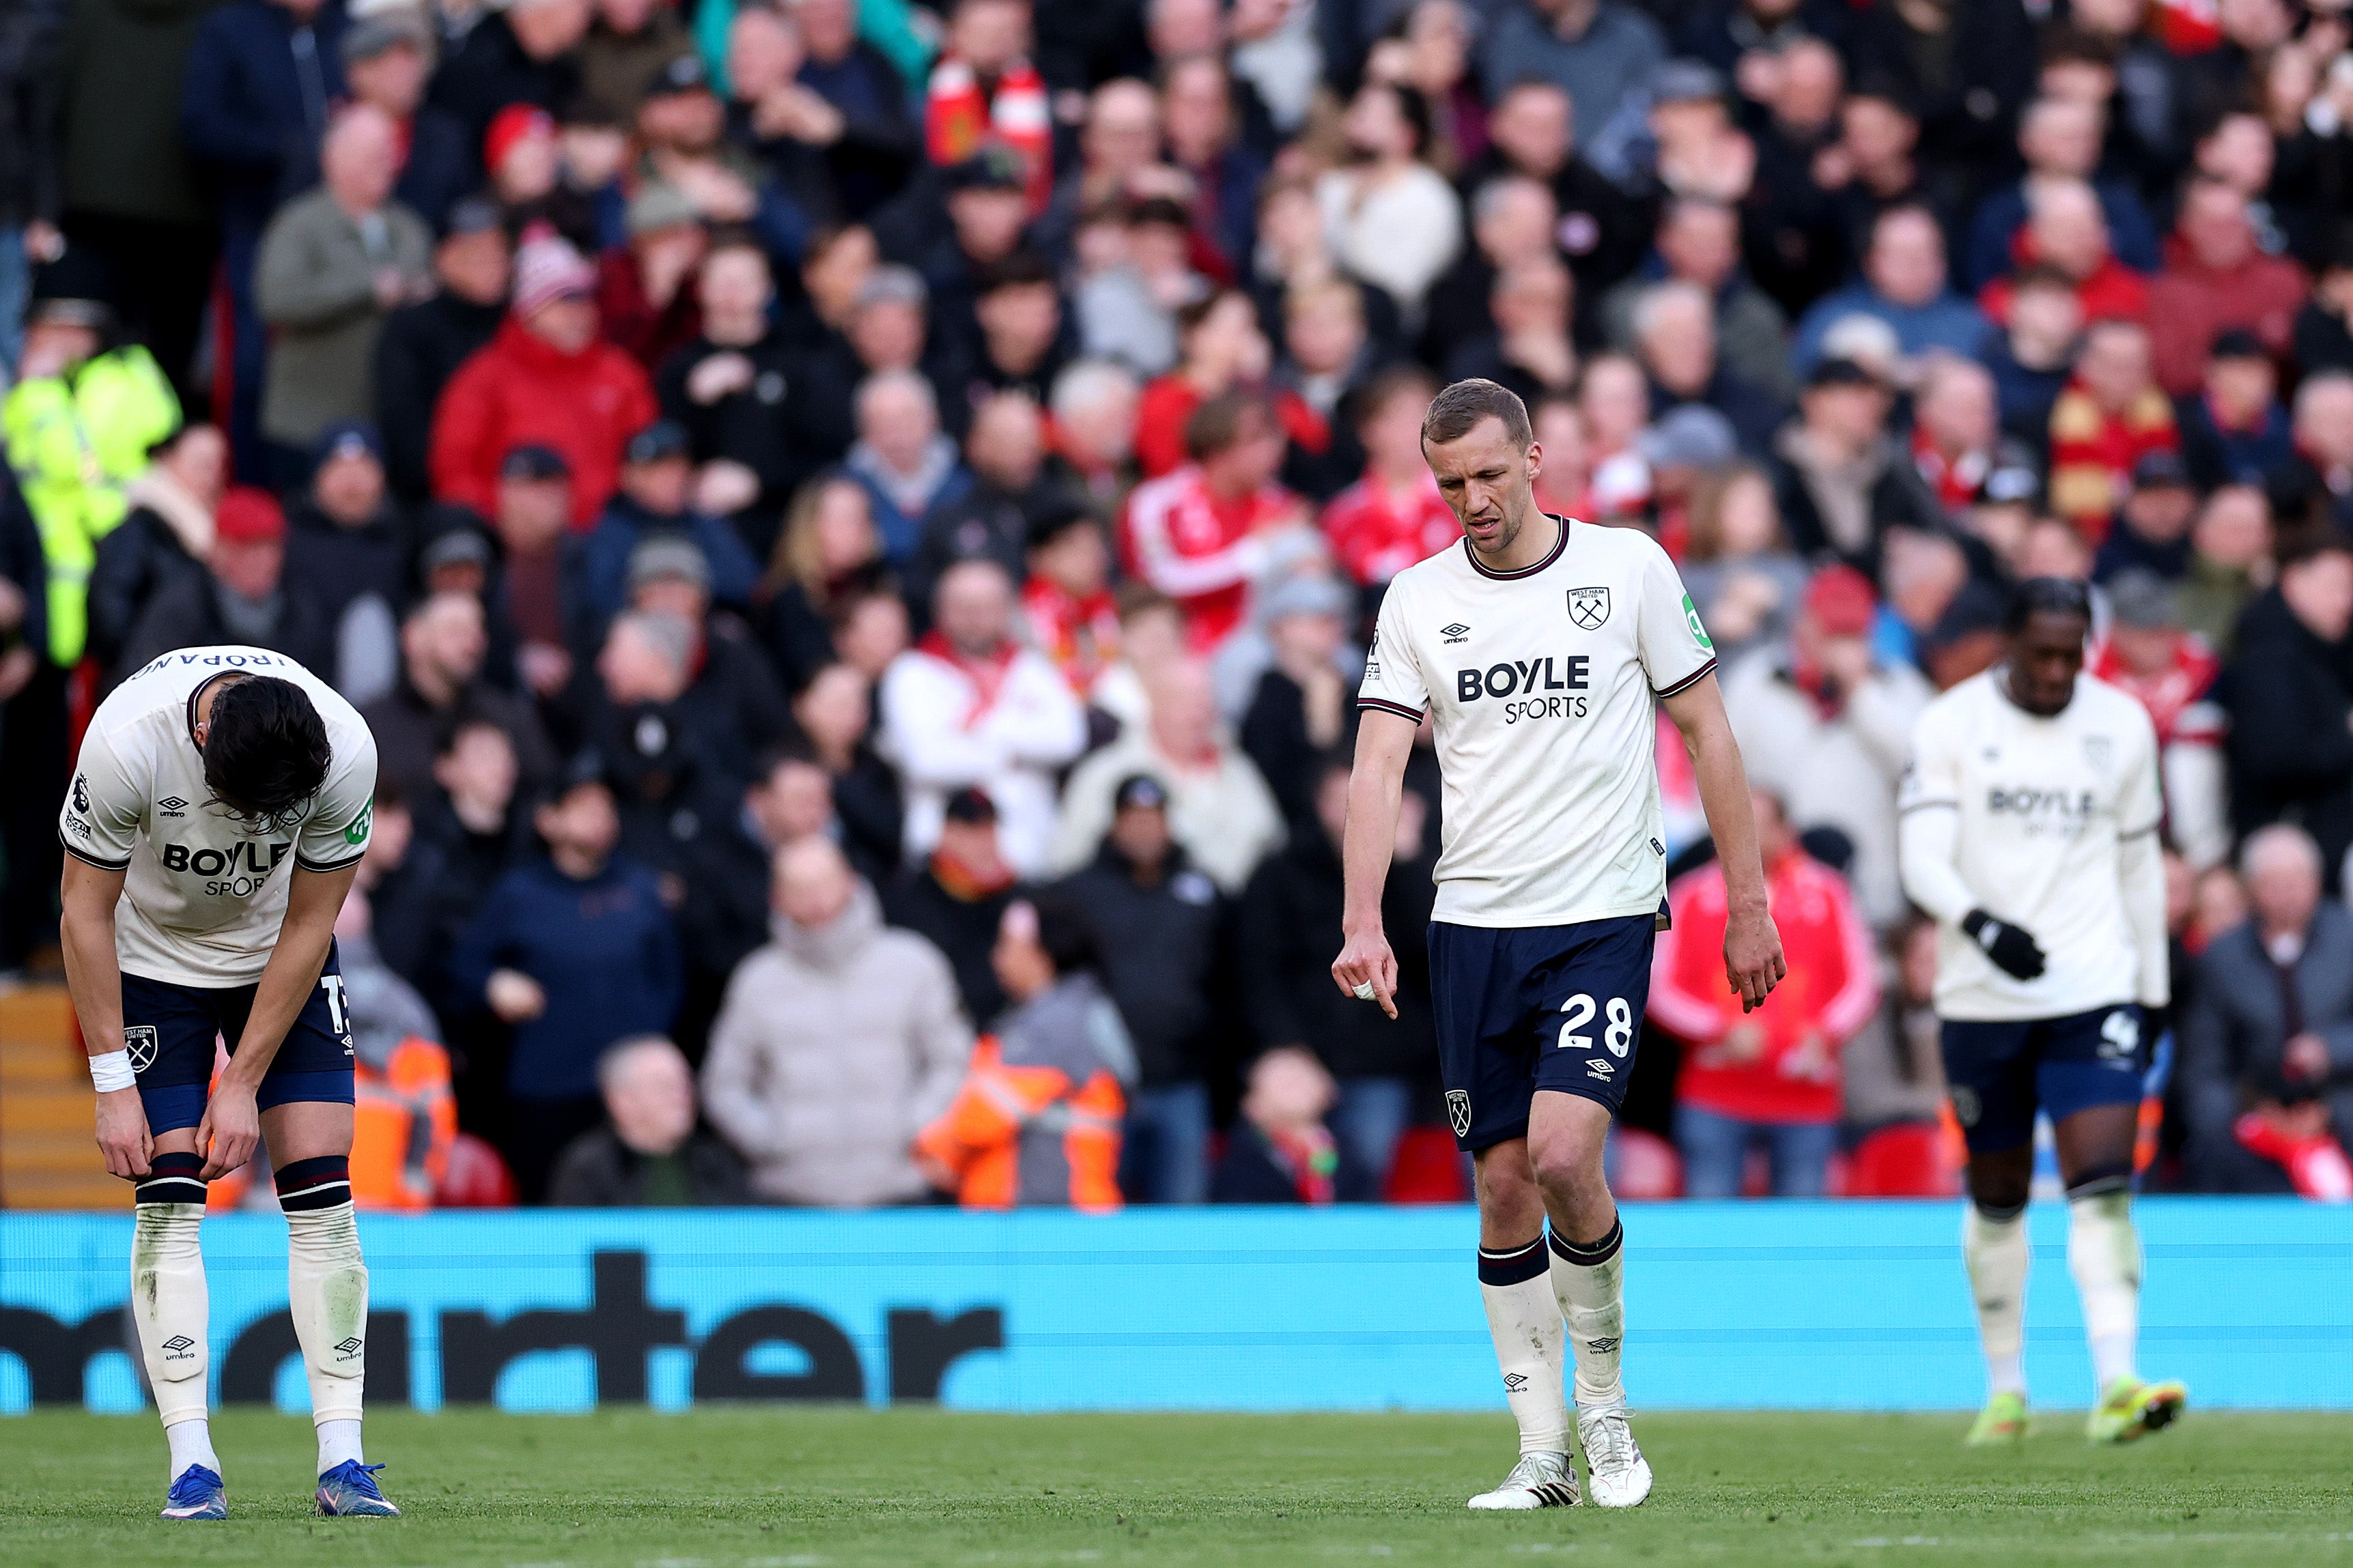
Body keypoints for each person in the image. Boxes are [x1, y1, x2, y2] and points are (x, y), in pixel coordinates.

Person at [1335, 377, 1785, 1509]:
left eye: (1490, 473)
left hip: (1599, 914)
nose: (1473, 499)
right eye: (1451, 484)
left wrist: (1747, 903)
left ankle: (1606, 1406)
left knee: (1565, 1156)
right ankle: (1541, 1459)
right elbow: (1378, 767)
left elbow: (1709, 733)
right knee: (1500, 1189)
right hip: (1471, 925)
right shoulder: (1416, 600)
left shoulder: (1627, 569)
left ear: (1534, 459)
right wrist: (1361, 919)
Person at [57, 648, 395, 1519]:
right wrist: (110, 1083)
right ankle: (192, 1464)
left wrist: (241, 1079)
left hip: (278, 958)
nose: (254, 837)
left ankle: (344, 1460)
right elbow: (82, 909)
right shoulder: (125, 741)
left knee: (322, 1190)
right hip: (149, 960)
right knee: (169, 1196)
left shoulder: (346, 748)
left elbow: (313, 917)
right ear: (201, 740)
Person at [1896, 575, 2185, 1447]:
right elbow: (1920, 858)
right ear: (2008, 644)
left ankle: (2116, 1382)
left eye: (2072, 655)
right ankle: (2006, 1389)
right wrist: (1980, 925)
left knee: (2103, 1187)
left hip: (2093, 987)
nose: (2057, 671)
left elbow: (2138, 865)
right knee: (1998, 1198)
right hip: (1980, 998)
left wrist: (2152, 988)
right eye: (2042, 654)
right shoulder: (1950, 723)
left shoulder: (2120, 724)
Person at [445, 762, 681, 1202]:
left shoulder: (640, 888)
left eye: (605, 807)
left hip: (634, 1095)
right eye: (582, 807)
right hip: (548, 1091)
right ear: (548, 819)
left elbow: (670, 978)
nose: (599, 817)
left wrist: (651, 1042)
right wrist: (493, 984)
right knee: (552, 1208)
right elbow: (464, 968)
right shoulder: (519, 893)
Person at [701, 835, 971, 1206]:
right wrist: (772, 1140)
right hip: (792, 1196)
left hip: (900, 1191)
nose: (815, 900)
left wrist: (915, 1128)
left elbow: (954, 1061)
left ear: (851, 882)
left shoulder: (914, 964)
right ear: (777, 897)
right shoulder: (757, 981)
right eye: (799, 888)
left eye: (824, 883)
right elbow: (725, 1084)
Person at [1649, 789, 1878, 1198]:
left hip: (1806, 1092)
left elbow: (1862, 982)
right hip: (1715, 1093)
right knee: (1709, 1222)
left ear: (1785, 831)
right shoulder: (1690, 895)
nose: (1741, 837)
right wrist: (1718, 1030)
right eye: (1732, 824)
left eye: (1754, 826)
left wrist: (1825, 1033)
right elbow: (1660, 988)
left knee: (1803, 1226)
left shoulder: (1829, 893)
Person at [1057, 772, 1229, 1206]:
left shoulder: (1204, 892)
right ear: (1115, 824)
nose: (1145, 830)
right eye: (1134, 819)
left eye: (1154, 818)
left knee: (1183, 1213)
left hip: (1182, 1080)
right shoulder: (1076, 893)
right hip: (1101, 1086)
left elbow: (1229, 982)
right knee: (1099, 1206)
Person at [913, 892, 1136, 1209]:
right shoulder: (1058, 1012)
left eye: (1008, 946)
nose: (997, 959)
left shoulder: (1057, 1021)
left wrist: (932, 1148)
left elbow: (989, 1111)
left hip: (1052, 1212)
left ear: (1043, 953)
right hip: (1036, 1208)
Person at [429, 229, 660, 530]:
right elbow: (454, 471)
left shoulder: (619, 373)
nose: (580, 312)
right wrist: (505, 519)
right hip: (516, 541)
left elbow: (651, 457)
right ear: (530, 310)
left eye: (586, 298)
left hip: (611, 537)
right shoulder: (484, 379)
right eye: (564, 300)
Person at [251, 104, 434, 476]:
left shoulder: (410, 228)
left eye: (389, 154)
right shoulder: (300, 223)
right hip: (307, 423)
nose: (385, 164)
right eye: (372, 155)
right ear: (334, 159)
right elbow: (277, 300)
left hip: (388, 425)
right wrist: (368, 288)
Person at [877, 558, 1086, 878]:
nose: (975, 617)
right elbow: (927, 760)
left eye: (987, 606)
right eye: (963, 606)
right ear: (939, 611)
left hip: (1032, 853)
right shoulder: (911, 672)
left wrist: (976, 729)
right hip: (943, 866)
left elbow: (1068, 739)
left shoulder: (1032, 667)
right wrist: (1017, 752)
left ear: (1008, 610)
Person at [2178, 825, 2353, 1195]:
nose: (2288, 894)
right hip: (2256, 1117)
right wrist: (2245, 1117)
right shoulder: (2222, 959)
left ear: (2317, 881)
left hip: (2340, 1106)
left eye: (2297, 880)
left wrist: (2330, 1052)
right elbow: (2206, 1062)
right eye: (2274, 883)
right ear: (2251, 888)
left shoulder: (2348, 940)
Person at [374, 199, 512, 506]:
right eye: (475, 254)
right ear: (443, 258)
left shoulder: (517, 321)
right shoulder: (412, 325)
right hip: (435, 494)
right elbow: (404, 427)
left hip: (516, 484)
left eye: (498, 252)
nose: (491, 264)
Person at [546, 1034, 752, 1206]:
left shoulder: (715, 1161)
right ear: (622, 1100)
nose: (681, 1097)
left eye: (684, 1084)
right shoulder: (590, 1168)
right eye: (664, 1086)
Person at [883, 786, 1024, 1029]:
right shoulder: (908, 896)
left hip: (1006, 1026)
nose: (983, 842)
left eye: (989, 830)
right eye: (972, 831)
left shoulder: (1015, 897)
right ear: (947, 833)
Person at [1209, 1046, 1379, 1204]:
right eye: (1282, 1079)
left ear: (1330, 1088)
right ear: (1252, 1105)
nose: (1295, 1080)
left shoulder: (1350, 1153)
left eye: (1303, 1073)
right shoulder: (1240, 1164)